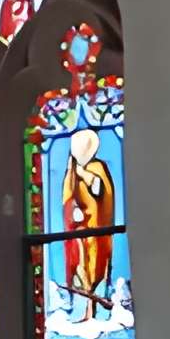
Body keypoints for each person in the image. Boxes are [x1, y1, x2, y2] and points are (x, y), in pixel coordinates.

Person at [58, 128, 116, 318]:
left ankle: (95, 311)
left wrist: (85, 175)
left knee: (96, 270)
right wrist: (72, 210)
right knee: (80, 270)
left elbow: (101, 192)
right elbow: (67, 197)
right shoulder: (71, 172)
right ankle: (82, 311)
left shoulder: (98, 168)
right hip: (78, 231)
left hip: (96, 230)